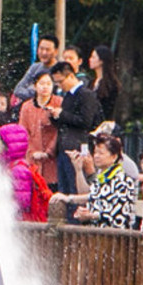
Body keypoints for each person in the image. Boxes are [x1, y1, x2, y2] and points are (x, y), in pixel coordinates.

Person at [53, 133, 135, 229]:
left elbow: (118, 215)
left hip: (113, 237)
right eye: (95, 152)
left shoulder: (123, 180)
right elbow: (88, 194)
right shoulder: (102, 177)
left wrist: (90, 215)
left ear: (114, 157)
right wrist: (78, 169)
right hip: (94, 234)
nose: (96, 156)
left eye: (101, 153)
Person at [52, 62, 103, 200]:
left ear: (70, 76)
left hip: (78, 147)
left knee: (75, 189)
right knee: (64, 189)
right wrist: (55, 116)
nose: (59, 85)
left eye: (60, 81)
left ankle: (74, 220)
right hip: (63, 147)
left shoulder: (86, 94)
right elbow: (66, 120)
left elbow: (86, 121)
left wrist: (62, 114)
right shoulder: (68, 95)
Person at [18, 69, 61, 190]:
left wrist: (49, 151)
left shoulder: (59, 103)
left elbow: (60, 130)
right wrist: (31, 151)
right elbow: (23, 132)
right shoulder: (27, 106)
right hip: (33, 158)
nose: (45, 87)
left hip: (53, 159)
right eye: (42, 84)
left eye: (48, 84)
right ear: (35, 86)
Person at [0, 123, 50, 222]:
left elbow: (22, 202)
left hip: (21, 220)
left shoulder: (19, 170)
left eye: (0, 141)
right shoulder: (10, 165)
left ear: (7, 144)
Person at [12, 34, 60, 104]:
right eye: (41, 49)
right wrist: (37, 93)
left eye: (47, 50)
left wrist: (31, 89)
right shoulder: (34, 67)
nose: (44, 53)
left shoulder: (61, 69)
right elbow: (18, 90)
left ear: (56, 52)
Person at [87, 45, 121, 121]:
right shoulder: (91, 82)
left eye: (93, 57)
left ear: (101, 61)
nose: (90, 60)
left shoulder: (111, 84)